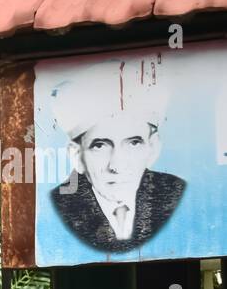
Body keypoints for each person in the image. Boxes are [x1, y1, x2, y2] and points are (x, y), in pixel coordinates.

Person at [47, 56, 185, 253]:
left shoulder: (175, 194)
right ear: (77, 155)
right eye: (100, 146)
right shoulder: (59, 206)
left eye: (133, 143)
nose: (117, 165)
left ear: (153, 148)